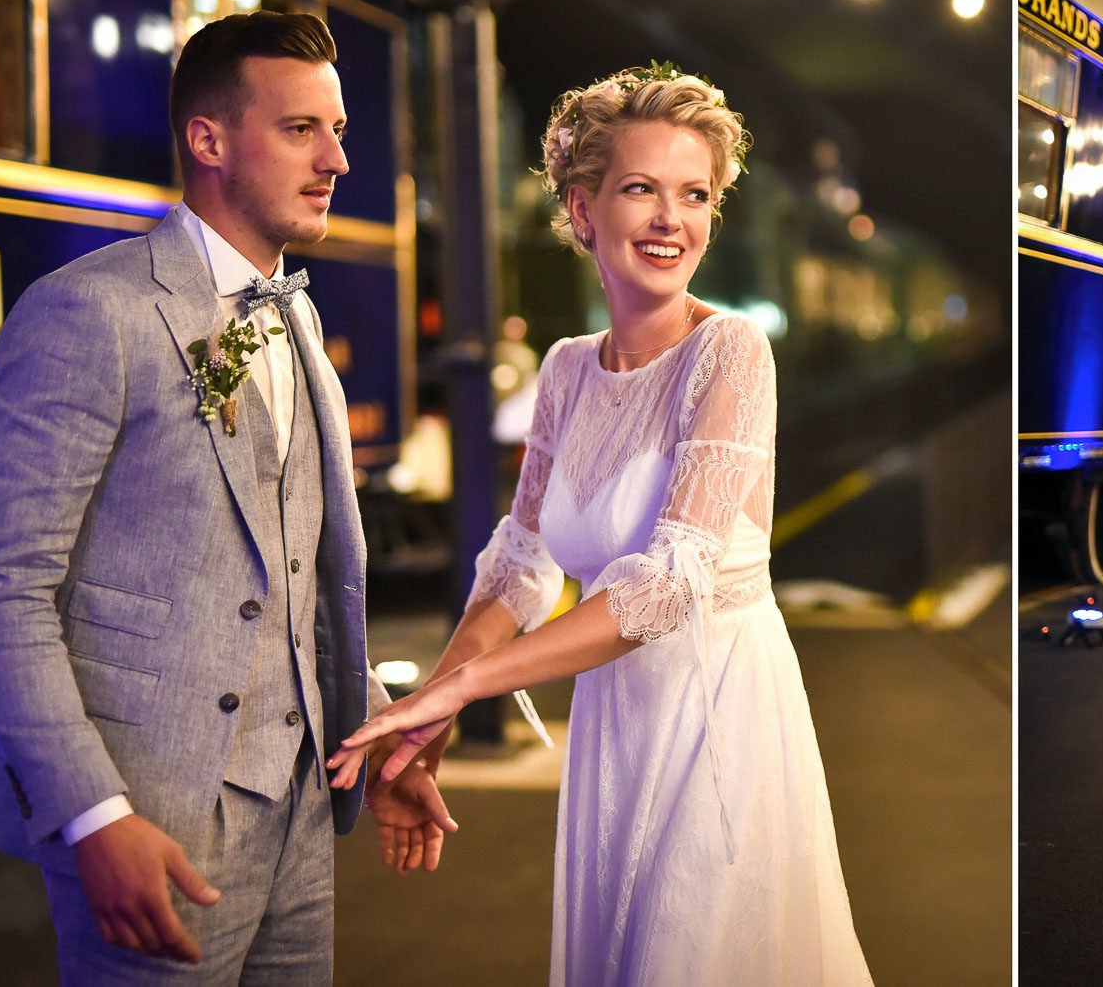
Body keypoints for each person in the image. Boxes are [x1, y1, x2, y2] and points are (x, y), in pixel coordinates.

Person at [327, 64, 874, 985]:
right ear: (582, 212)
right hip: (614, 729)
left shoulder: (731, 350)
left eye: (694, 195)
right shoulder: (568, 369)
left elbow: (666, 584)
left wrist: (457, 691)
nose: (672, 219)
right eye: (640, 190)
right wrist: (432, 718)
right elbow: (522, 566)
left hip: (717, 720)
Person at [0, 11, 452, 983]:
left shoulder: (299, 316)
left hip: (301, 806)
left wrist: (378, 731)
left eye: (339, 130)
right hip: (152, 817)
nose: (338, 159)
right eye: (302, 128)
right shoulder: (91, 311)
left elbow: (296, 578)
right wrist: (98, 815)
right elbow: (1, 590)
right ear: (209, 139)